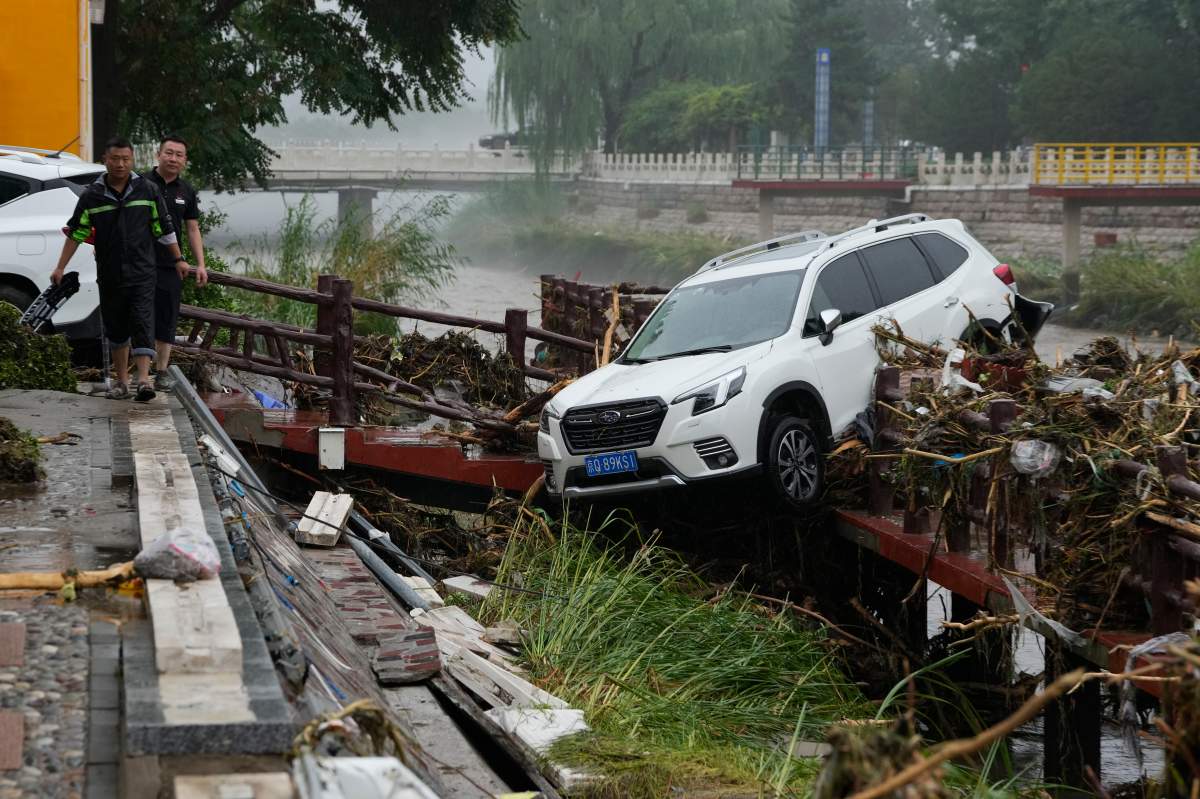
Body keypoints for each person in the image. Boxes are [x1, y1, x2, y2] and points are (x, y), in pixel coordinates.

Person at [51, 136, 189, 401]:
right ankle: (122, 383)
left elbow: (164, 229)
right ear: (105, 160)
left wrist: (179, 259)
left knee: (142, 320)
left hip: (143, 271)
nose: (120, 164)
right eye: (115, 159)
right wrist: (60, 267)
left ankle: (145, 381)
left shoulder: (147, 190)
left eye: (126, 159)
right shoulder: (93, 195)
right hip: (111, 272)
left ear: (132, 160)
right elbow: (77, 232)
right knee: (116, 327)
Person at [145, 134, 208, 391]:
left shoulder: (187, 191)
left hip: (172, 264)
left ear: (185, 161)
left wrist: (200, 264)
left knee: (167, 318)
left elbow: (192, 229)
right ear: (158, 155)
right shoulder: (141, 183)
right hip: (141, 262)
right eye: (168, 153)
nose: (173, 158)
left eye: (178, 155)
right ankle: (136, 373)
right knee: (138, 315)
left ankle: (161, 372)